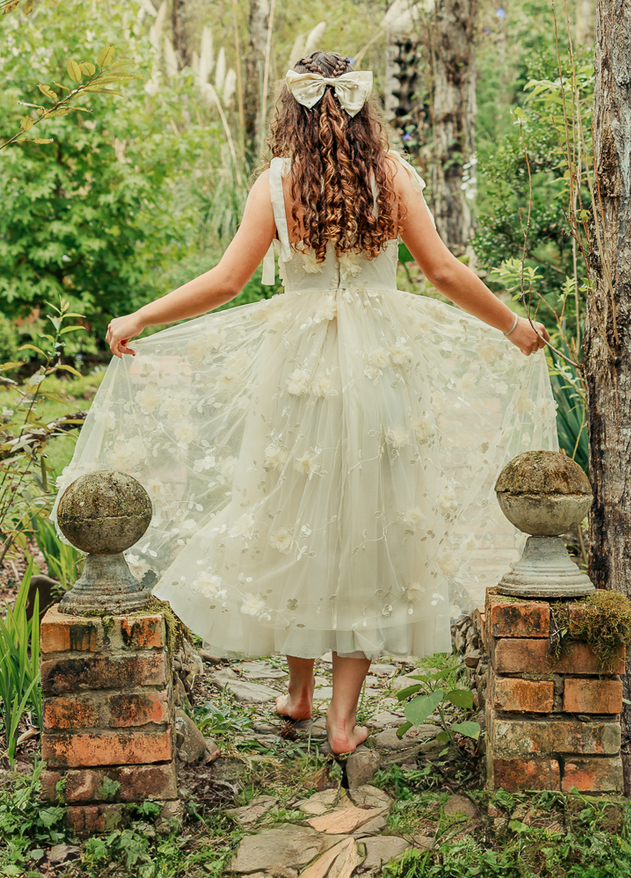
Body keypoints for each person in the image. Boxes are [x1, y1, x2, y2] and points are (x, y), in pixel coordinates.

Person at [54, 50, 557, 758]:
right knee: (368, 531)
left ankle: (295, 696)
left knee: (295, 524)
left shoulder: (276, 182)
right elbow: (443, 271)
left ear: (294, 110)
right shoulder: (395, 176)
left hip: (300, 374)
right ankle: (344, 723)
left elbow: (227, 281)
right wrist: (514, 327)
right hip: (381, 371)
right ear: (361, 109)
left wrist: (141, 316)